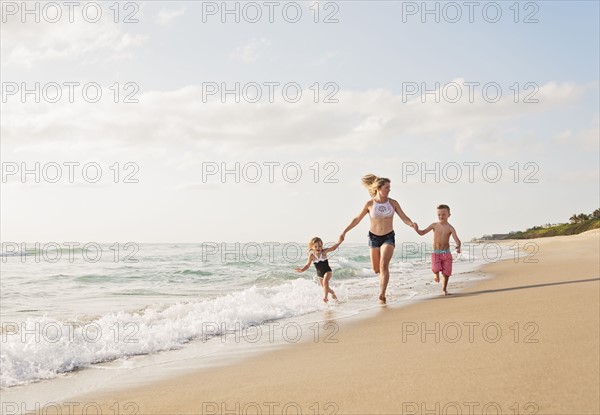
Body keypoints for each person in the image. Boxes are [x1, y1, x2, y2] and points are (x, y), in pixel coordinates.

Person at [339, 175, 417, 304]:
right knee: (376, 269)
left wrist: (411, 224)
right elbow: (357, 219)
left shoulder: (393, 203)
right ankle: (383, 283)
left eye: (389, 188)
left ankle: (382, 293)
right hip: (373, 238)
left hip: (388, 237)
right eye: (387, 188)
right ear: (379, 188)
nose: (389, 190)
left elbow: (404, 217)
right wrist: (344, 231)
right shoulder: (370, 204)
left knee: (383, 265)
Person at [415, 204, 461, 295]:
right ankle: (436, 274)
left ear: (449, 215)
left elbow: (457, 240)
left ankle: (444, 289)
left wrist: (458, 246)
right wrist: (416, 229)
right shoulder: (434, 225)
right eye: (439, 214)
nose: (441, 216)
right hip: (436, 253)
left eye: (443, 214)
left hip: (446, 253)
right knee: (435, 268)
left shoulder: (450, 228)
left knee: (446, 273)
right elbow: (422, 232)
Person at [295, 236, 343, 303]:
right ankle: (332, 293)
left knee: (325, 282)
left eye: (320, 246)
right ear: (312, 247)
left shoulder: (324, 252)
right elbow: (307, 265)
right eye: (316, 246)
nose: (318, 248)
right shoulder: (311, 255)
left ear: (322, 246)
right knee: (325, 288)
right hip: (320, 274)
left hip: (327, 271)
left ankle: (325, 298)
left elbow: (334, 248)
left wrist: (339, 241)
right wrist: (302, 269)